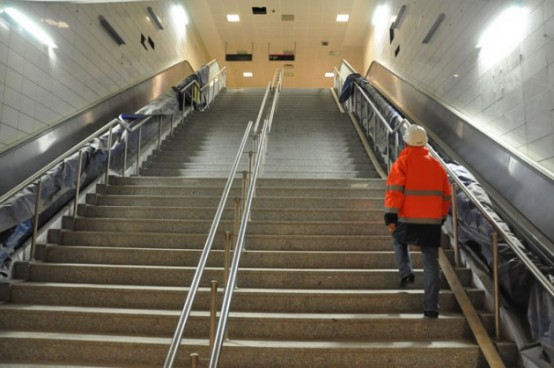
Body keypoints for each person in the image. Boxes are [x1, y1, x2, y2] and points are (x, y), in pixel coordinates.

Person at [384, 123, 451, 318]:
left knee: (397, 239)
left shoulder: (402, 162)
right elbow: (446, 196)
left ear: (406, 142)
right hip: (431, 221)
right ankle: (431, 308)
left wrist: (391, 215)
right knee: (431, 262)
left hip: (407, 219)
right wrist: (442, 216)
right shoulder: (437, 166)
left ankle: (406, 271)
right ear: (425, 143)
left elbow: (394, 190)